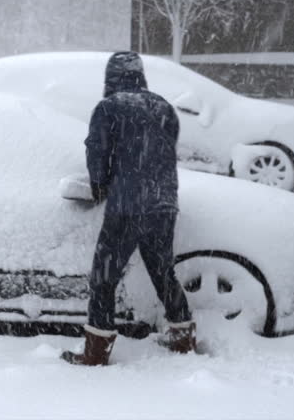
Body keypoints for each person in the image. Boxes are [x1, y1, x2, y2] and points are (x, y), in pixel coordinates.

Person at [61, 51, 196, 366]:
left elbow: (97, 151)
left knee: (104, 278)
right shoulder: (164, 107)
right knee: (163, 272)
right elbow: (164, 153)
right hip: (163, 203)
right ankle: (183, 337)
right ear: (140, 75)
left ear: (110, 77)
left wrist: (99, 187)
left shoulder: (109, 108)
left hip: (127, 205)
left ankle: (96, 351)